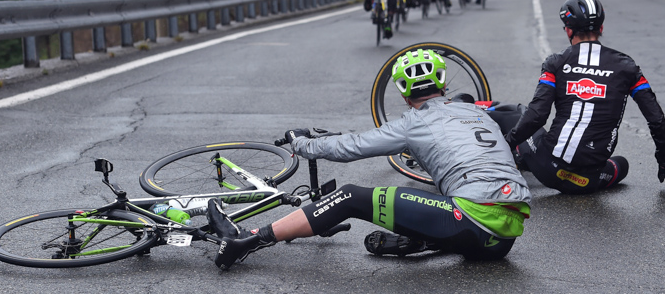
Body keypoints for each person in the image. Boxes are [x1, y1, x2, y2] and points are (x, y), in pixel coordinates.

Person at [206, 49, 532, 271]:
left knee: (350, 196)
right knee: (437, 197)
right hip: (503, 240)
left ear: (404, 93)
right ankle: (420, 240)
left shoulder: (413, 123)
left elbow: (353, 147)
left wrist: (302, 144)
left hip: (472, 219)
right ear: (443, 84)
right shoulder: (479, 113)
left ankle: (245, 240)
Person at [505, 0, 665, 194]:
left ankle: (508, 153)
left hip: (546, 169)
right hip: (587, 180)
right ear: (601, 28)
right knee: (621, 165)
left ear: (568, 30)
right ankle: (544, 165)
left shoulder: (555, 62)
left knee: (518, 112)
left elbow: (536, 116)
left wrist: (507, 144)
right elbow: (656, 119)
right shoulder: (627, 66)